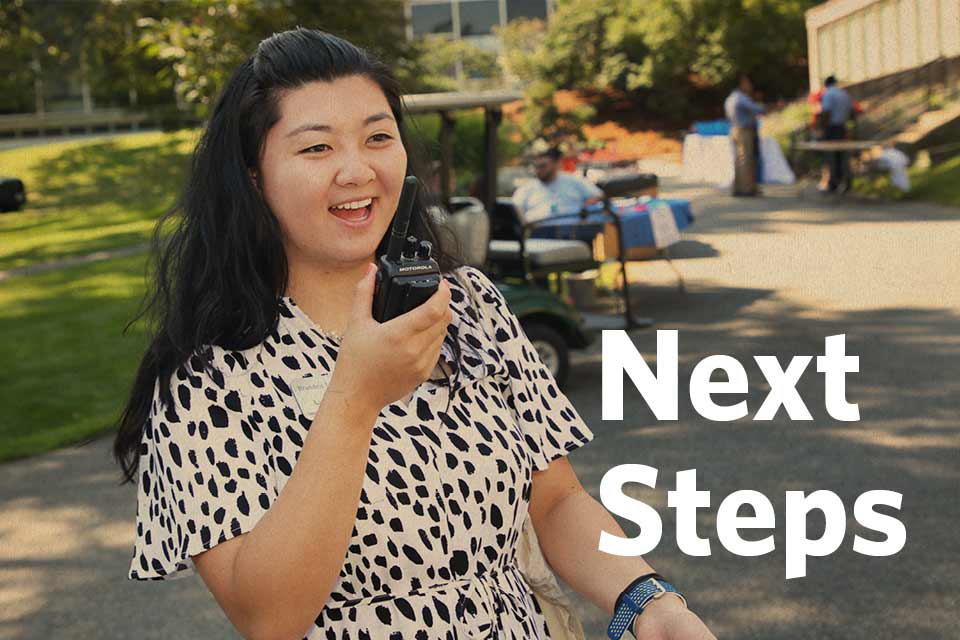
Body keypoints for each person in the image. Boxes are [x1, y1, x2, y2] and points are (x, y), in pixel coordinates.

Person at [113, 28, 716, 640]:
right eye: (316, 148)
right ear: (252, 177)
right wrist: (353, 399)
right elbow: (266, 616)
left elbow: (556, 501)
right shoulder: (207, 376)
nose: (357, 169)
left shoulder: (469, 305)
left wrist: (647, 601)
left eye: (378, 137)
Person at [512, 145, 603, 222]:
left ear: (556, 164)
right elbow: (515, 208)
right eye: (537, 167)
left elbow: (598, 195)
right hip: (537, 235)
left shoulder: (573, 181)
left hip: (572, 233)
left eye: (543, 166)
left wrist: (583, 208)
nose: (539, 170)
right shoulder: (527, 187)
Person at [724, 75, 766, 197]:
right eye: (747, 83)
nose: (750, 86)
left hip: (735, 129)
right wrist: (765, 106)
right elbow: (756, 109)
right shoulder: (741, 98)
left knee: (739, 160)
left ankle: (738, 187)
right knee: (746, 160)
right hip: (744, 131)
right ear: (741, 84)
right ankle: (747, 189)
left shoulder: (730, 98)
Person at [819, 75, 856, 193]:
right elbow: (852, 112)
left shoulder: (828, 94)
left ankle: (833, 182)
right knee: (843, 156)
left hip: (832, 128)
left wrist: (822, 128)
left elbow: (826, 112)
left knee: (831, 156)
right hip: (842, 127)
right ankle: (846, 181)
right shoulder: (844, 94)